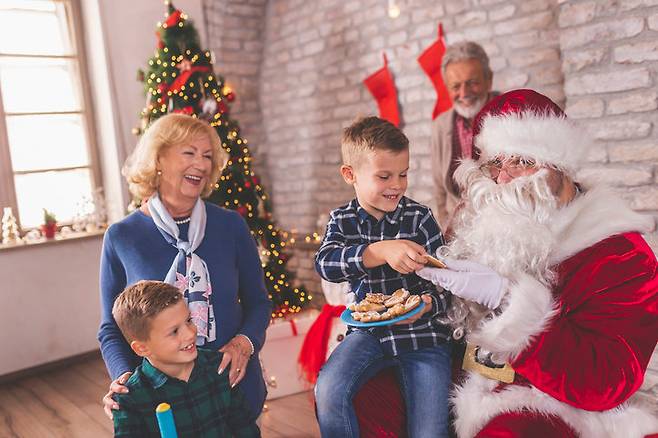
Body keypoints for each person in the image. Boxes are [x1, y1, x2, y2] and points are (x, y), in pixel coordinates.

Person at [417, 89, 658, 437]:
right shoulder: (478, 219)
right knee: (365, 392)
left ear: (559, 165)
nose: (502, 179)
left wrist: (509, 301)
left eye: (520, 161)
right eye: (494, 164)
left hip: (553, 403)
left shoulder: (621, 254)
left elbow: (604, 380)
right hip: (461, 379)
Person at [98, 113, 272, 421]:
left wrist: (244, 343)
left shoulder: (231, 225)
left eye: (207, 156)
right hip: (161, 399)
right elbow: (111, 327)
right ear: (158, 159)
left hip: (234, 388)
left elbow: (258, 303)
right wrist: (125, 378)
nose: (202, 164)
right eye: (189, 153)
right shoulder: (122, 236)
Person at [314, 116, 453, 437]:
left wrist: (428, 304)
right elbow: (326, 264)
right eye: (384, 176)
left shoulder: (420, 218)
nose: (397, 185)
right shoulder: (343, 221)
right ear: (351, 175)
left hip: (424, 338)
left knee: (429, 431)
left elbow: (448, 283)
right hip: (368, 336)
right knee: (329, 390)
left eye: (403, 174)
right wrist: (378, 251)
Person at [111, 280, 260, 437]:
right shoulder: (130, 400)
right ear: (142, 348)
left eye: (189, 320)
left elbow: (245, 427)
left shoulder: (219, 366)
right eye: (174, 331)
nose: (190, 333)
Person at [430, 41, 497, 229]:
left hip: (505, 224)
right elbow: (439, 189)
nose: (464, 93)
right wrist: (445, 226)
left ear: (489, 79)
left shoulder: (512, 113)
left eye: (472, 83)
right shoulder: (440, 126)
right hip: (459, 228)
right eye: (455, 86)